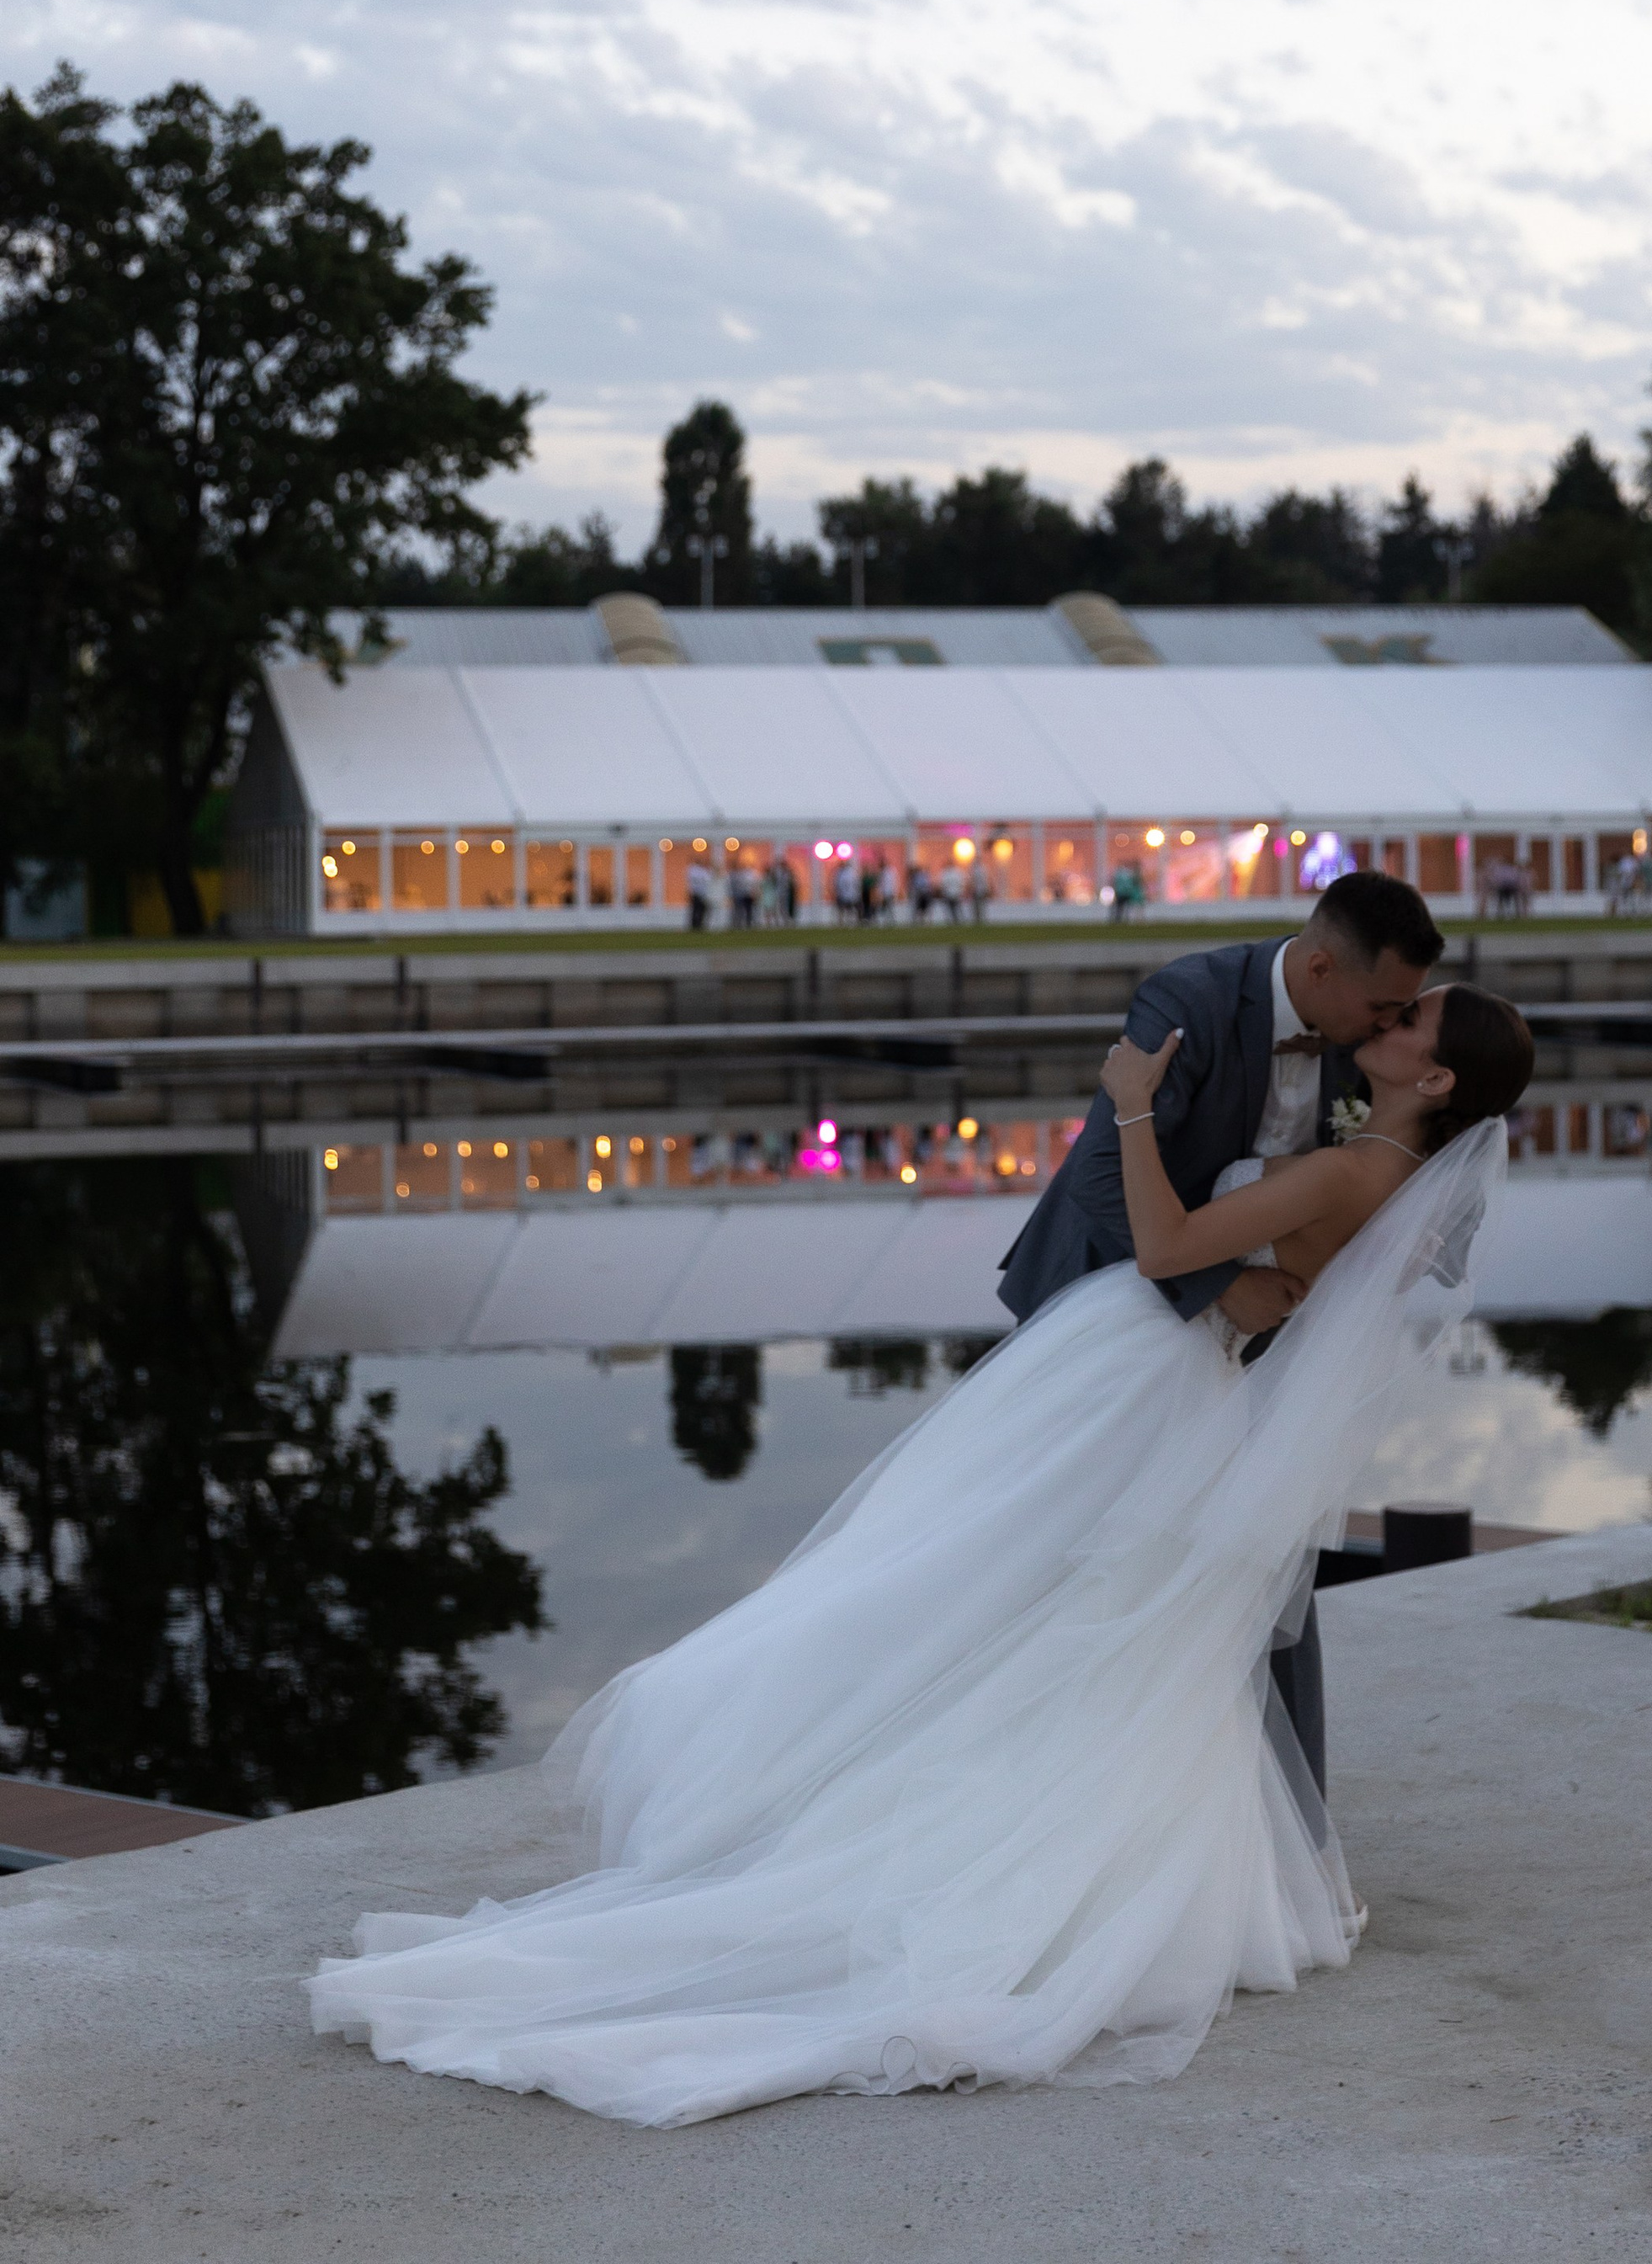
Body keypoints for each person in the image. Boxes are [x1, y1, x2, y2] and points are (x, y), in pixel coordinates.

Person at [311, 954, 1534, 2127]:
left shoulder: (1348, 1175)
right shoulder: (1384, 1183)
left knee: (952, 1573)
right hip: (1160, 1377)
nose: (1386, 1022)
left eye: (1412, 1024)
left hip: (1139, 1370)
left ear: (1432, 1083)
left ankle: (844, 1799)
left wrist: (1129, 1115)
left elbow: (1167, 1250)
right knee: (1017, 1602)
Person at [999, 869, 1441, 1797]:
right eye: (1383, 1005)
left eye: (1406, 1014)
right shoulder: (1189, 1000)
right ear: (1320, 968)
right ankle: (1043, 1785)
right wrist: (1218, 1287)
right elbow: (1096, 1185)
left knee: (1259, 1566)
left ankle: (1288, 1812)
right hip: (1117, 1326)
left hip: (1255, 1349)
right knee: (1071, 1567)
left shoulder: (1368, 1066)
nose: (1390, 1025)